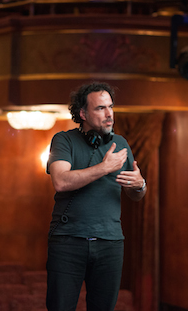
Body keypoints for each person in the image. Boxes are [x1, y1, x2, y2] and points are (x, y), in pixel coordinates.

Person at [45, 82, 146, 311]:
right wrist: (104, 167)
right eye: (100, 108)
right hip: (68, 241)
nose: (109, 113)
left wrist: (140, 185)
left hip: (110, 243)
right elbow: (60, 181)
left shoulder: (120, 144)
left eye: (110, 107)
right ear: (83, 113)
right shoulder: (63, 140)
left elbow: (135, 193)